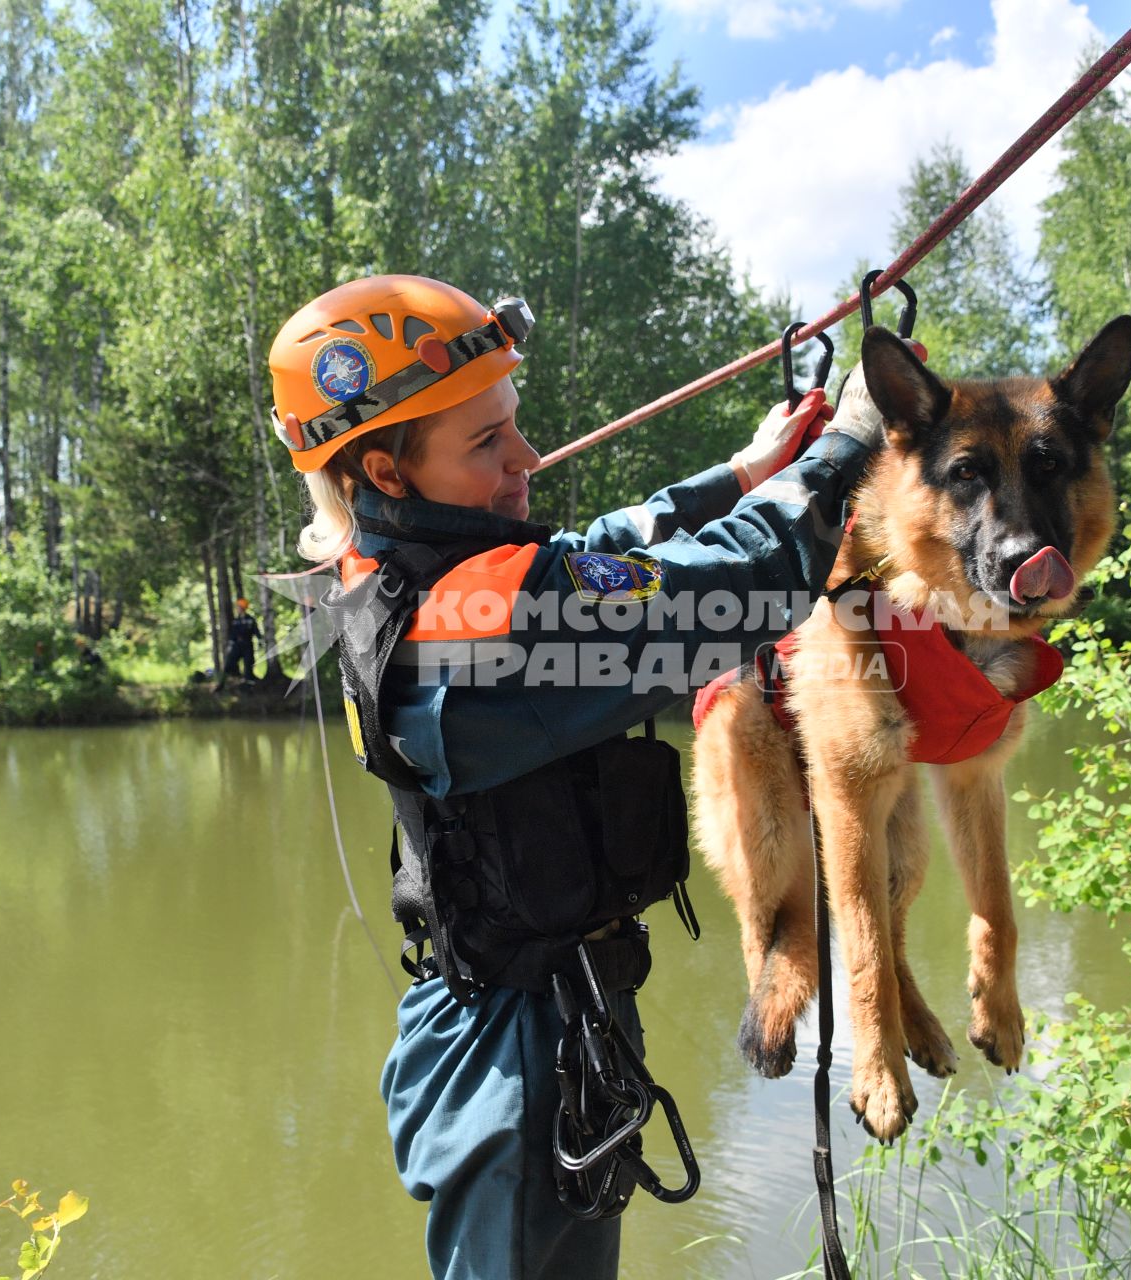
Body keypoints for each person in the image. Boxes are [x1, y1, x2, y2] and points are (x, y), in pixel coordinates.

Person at [270, 274, 885, 1280]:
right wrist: (853, 437)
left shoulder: (404, 574)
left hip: (540, 1023)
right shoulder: (467, 634)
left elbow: (600, 548)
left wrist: (740, 472)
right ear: (384, 468)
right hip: (512, 1063)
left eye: (514, 426)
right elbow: (726, 590)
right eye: (486, 443)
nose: (527, 458)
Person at [223, 597, 259, 681]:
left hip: (248, 645)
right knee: (230, 661)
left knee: (248, 664)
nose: (237, 609)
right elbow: (233, 634)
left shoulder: (250, 619)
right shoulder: (236, 621)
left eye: (238, 607)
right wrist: (230, 644)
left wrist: (260, 640)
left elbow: (256, 631)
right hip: (237, 645)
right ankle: (226, 679)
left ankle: (249, 682)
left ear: (242, 608)